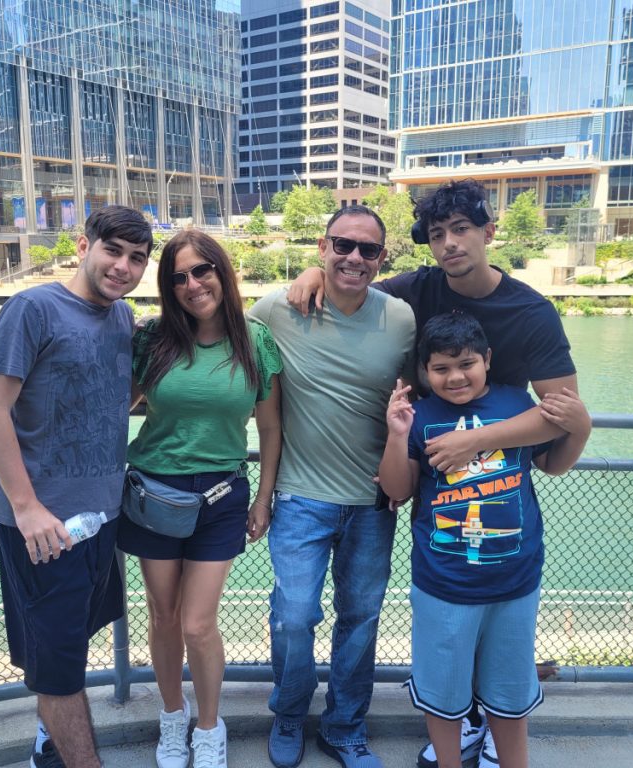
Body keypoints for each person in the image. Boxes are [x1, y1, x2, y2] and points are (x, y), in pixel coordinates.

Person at [288, 179, 579, 767]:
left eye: (462, 230)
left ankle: (489, 724)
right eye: (439, 234)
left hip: (495, 468)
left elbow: (561, 418)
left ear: (489, 232)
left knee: (500, 640)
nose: (449, 244)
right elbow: (354, 276)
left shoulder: (530, 312)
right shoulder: (417, 289)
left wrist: (475, 441)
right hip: (424, 477)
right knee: (445, 636)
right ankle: (462, 722)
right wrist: (314, 275)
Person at [0, 205, 152, 768]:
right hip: (44, 527)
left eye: (137, 258)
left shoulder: (123, 318)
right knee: (58, 669)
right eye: (113, 251)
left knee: (66, 645)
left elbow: (107, 401)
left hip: (101, 517)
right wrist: (26, 508)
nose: (123, 267)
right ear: (84, 245)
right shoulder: (32, 309)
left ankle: (47, 744)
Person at [379, 312, 589, 768]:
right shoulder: (420, 416)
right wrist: (396, 436)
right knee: (442, 694)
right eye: (440, 368)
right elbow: (397, 490)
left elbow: (554, 464)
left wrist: (582, 428)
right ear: (424, 370)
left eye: (466, 364)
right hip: (443, 584)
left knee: (510, 695)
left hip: (515, 581)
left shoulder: (518, 403)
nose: (455, 377)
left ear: (488, 360)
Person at [248, 206, 415, 768]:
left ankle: (344, 726)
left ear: (382, 258)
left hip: (374, 499)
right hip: (299, 496)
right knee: (294, 614)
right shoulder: (277, 308)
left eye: (368, 250)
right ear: (322, 246)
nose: (354, 258)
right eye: (343, 245)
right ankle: (290, 713)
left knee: (360, 617)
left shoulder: (401, 318)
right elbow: (219, 340)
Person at [116, 229, 283, 768]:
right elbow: (116, 405)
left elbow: (272, 426)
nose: (192, 284)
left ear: (222, 272)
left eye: (202, 271)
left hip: (221, 495)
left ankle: (209, 726)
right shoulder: (153, 339)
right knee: (163, 617)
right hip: (153, 491)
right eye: (179, 276)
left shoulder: (254, 340)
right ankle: (172, 717)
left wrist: (264, 497)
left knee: (197, 623)